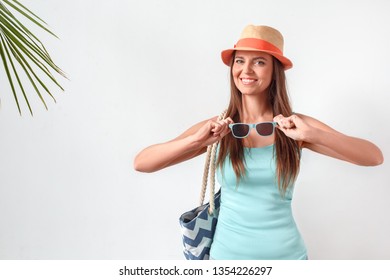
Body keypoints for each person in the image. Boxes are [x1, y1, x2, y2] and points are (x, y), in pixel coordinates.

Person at [133, 25, 384, 260]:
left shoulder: (295, 127)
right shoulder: (218, 127)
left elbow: (373, 157)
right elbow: (142, 163)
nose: (247, 70)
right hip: (227, 262)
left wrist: (313, 135)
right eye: (240, 61)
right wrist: (195, 141)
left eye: (259, 62)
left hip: (289, 259)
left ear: (275, 71)